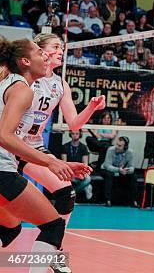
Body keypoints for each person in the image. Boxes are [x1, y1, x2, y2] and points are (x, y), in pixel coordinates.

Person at [0, 37, 91, 273]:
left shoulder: (48, 84)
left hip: (22, 154)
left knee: (10, 227)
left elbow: (73, 123)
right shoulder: (22, 88)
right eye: (43, 51)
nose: (51, 55)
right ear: (26, 60)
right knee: (52, 226)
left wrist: (58, 162)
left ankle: (52, 254)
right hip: (8, 163)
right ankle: (49, 257)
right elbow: (6, 136)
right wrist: (51, 161)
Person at [21, 34, 105, 228]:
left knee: (67, 195)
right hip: (10, 145)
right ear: (40, 51)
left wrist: (91, 107)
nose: (61, 51)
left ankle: (53, 249)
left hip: (33, 147)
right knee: (9, 219)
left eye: (62, 47)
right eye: (56, 47)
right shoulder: (25, 76)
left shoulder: (60, 84)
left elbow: (74, 124)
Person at [101, 137, 136, 207]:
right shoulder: (110, 150)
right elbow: (107, 165)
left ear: (125, 147)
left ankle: (133, 201)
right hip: (107, 169)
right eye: (116, 144)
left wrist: (127, 171)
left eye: (119, 146)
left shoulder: (130, 152)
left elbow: (132, 167)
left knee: (133, 176)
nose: (117, 147)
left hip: (122, 170)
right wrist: (118, 170)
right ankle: (108, 200)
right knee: (109, 175)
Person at [61, 131, 93, 200]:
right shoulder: (65, 146)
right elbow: (64, 163)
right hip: (69, 170)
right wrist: (70, 173)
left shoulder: (83, 147)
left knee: (88, 178)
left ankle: (72, 193)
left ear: (80, 135)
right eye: (73, 134)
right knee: (67, 177)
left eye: (77, 134)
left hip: (79, 171)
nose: (75, 135)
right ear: (70, 135)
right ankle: (86, 187)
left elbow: (85, 164)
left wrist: (83, 173)